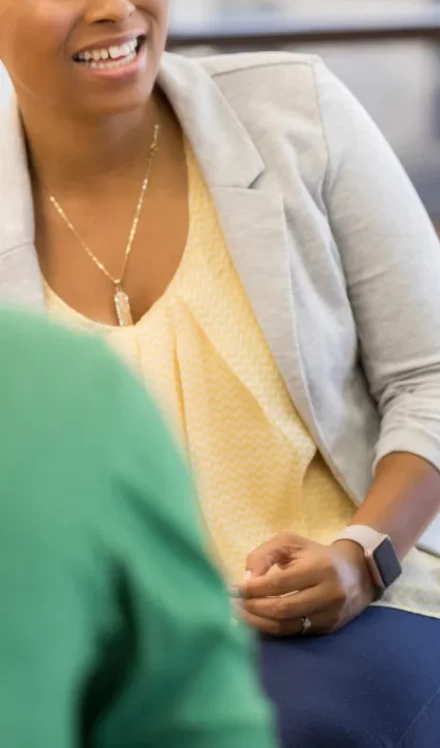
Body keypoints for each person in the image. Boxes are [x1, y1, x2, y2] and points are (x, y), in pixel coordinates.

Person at [0, 0, 440, 748]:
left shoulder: (296, 114)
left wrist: (363, 555)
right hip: (112, 651)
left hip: (369, 616)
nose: (116, 3)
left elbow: (438, 375)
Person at [0, 307, 278, 747]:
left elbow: (423, 378)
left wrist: (363, 553)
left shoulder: (67, 389)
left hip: (332, 576)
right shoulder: (73, 387)